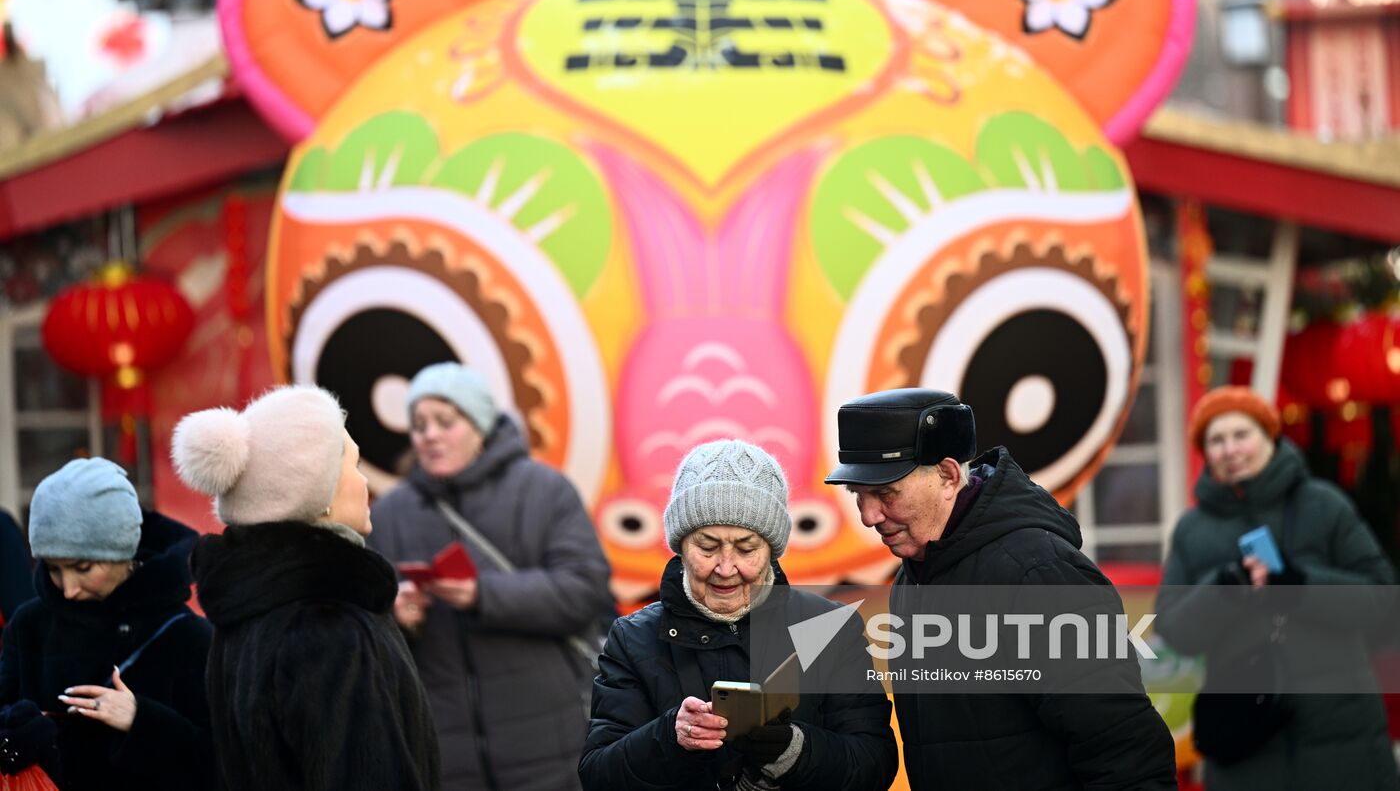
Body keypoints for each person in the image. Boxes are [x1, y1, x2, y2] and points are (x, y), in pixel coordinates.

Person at [825, 388, 1176, 790]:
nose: (869, 516)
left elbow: (1126, 753)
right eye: (859, 495)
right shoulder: (914, 576)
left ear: (948, 476)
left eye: (886, 493)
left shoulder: (1038, 574)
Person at [581, 439, 898, 791]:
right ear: (680, 546)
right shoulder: (633, 638)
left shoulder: (832, 629)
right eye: (707, 546)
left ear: (771, 550)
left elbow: (874, 764)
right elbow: (598, 773)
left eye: (747, 548)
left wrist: (792, 749)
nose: (726, 568)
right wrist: (671, 736)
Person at [172, 385, 440, 791]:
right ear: (320, 494)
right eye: (353, 464)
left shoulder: (248, 612)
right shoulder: (327, 628)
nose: (364, 480)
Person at [368, 362, 613, 791]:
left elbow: (585, 588)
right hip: (443, 753)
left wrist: (482, 595)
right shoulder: (389, 513)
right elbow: (368, 623)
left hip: (550, 746)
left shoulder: (544, 490)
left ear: (480, 426)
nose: (430, 434)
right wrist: (396, 617)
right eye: (419, 424)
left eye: (446, 421)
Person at [1157, 386, 1398, 790]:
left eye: (1241, 434)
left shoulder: (1324, 504)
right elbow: (1175, 630)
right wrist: (1223, 590)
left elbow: (1381, 600)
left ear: (1269, 437)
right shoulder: (1192, 530)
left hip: (1343, 738)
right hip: (1246, 740)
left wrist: (1301, 585)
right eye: (1216, 440)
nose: (1230, 449)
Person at [0, 457, 213, 791]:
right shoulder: (28, 625)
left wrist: (142, 721)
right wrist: (15, 736)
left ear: (123, 553)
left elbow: (221, 766)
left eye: (82, 568)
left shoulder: (188, 637)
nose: (68, 589)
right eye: (54, 569)